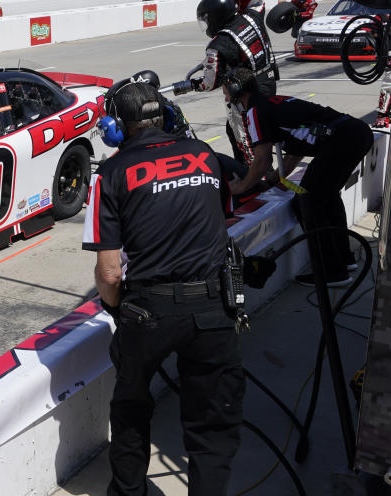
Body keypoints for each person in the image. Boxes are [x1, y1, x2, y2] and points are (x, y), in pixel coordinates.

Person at [85, 80, 243, 496]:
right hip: (213, 306)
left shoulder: (112, 172)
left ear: (117, 126)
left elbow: (108, 272)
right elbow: (222, 221)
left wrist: (117, 308)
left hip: (146, 312)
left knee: (132, 410)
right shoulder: (205, 155)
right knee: (212, 423)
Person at [224, 68, 373, 286]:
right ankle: (343, 259)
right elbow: (296, 151)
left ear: (237, 90)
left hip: (343, 140)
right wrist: (271, 182)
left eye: (226, 93)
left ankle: (332, 272)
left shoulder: (255, 112)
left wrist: (240, 187)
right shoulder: (271, 103)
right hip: (356, 134)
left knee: (308, 200)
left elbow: (262, 160)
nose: (226, 98)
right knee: (325, 198)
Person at [194, 0, 277, 166]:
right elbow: (258, 3)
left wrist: (192, 85)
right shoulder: (252, 17)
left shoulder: (218, 44)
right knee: (239, 131)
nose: (207, 25)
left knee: (245, 138)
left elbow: (209, 83)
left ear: (216, 17)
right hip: (269, 84)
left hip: (247, 95)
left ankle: (255, 176)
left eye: (207, 19)